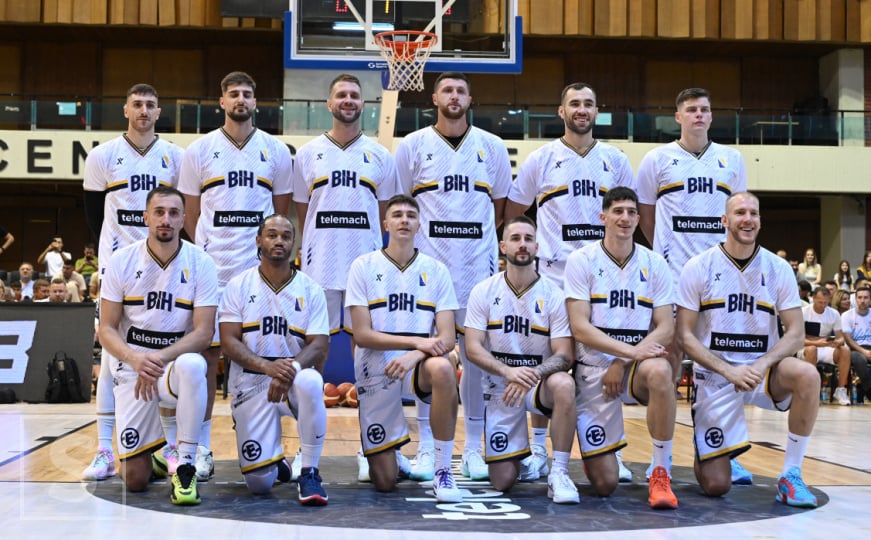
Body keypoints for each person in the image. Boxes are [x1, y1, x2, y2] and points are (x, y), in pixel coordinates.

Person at [503, 82, 636, 481]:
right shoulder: (541, 158)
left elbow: (628, 214)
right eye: (574, 104)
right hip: (554, 275)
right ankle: (538, 450)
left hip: (603, 275)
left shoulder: (615, 159)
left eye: (588, 104)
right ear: (561, 111)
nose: (581, 109)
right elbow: (514, 213)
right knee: (549, 359)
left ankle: (610, 446)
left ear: (597, 111)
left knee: (602, 360)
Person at [394, 72, 512, 482]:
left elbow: (500, 209)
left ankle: (475, 448)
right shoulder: (412, 145)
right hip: (428, 273)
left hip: (478, 269)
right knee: (432, 360)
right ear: (435, 98)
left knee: (477, 361)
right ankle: (427, 446)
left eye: (461, 90)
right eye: (447, 90)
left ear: (470, 99)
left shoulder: (492, 147)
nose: (455, 96)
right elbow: (401, 206)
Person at [179, 71, 293, 481]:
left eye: (247, 93)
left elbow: (280, 214)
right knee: (208, 358)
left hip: (259, 273)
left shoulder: (276, 150)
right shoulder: (199, 150)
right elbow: (190, 214)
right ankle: (202, 448)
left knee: (263, 358)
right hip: (214, 270)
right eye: (233, 94)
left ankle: (269, 447)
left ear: (255, 102)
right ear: (222, 102)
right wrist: (207, 251)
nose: (240, 99)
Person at [636, 87, 751, 485]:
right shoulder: (657, 159)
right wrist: (668, 254)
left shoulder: (731, 159)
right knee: (666, 368)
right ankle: (661, 457)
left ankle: (724, 449)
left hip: (719, 280)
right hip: (671, 279)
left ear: (711, 116)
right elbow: (646, 217)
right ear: (678, 116)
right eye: (691, 110)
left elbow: (737, 214)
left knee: (721, 368)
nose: (699, 115)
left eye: (704, 109)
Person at [676, 191, 820, 508]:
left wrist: (762, 364)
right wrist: (728, 370)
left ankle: (791, 474)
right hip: (716, 376)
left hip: (761, 372)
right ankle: (717, 449)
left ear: (760, 221)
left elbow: (796, 335)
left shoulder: (778, 268)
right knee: (716, 485)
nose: (748, 219)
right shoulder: (699, 266)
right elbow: (684, 336)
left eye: (753, 213)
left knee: (808, 375)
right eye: (740, 213)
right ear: (724, 221)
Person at [290, 74, 400, 480]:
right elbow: (303, 212)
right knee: (312, 359)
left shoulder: (381, 156)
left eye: (354, 95)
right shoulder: (308, 154)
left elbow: (384, 213)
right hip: (319, 267)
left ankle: (371, 446)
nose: (348, 100)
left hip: (365, 270)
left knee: (369, 357)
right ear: (329, 102)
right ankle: (307, 453)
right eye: (341, 94)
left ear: (363, 104)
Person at [81, 83, 185, 482]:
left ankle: (169, 445)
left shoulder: (176, 156)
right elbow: (94, 215)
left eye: (150, 105)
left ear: (159, 112)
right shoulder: (103, 156)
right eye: (137, 104)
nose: (143, 110)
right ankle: (105, 450)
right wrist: (116, 260)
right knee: (112, 360)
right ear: (125, 110)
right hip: (118, 270)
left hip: (164, 270)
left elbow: (179, 214)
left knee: (164, 354)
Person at [98, 186, 218, 506]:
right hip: (133, 370)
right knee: (134, 480)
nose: (166, 219)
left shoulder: (202, 262)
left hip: (172, 367)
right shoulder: (121, 261)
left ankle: (186, 465)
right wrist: (136, 359)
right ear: (145, 217)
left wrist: (158, 358)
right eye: (159, 212)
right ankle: (155, 455)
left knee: (194, 364)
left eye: (174, 213)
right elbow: (106, 329)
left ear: (183, 219)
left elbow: (204, 333)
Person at [565, 187, 679, 509]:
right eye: (617, 211)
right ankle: (601, 453)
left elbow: (666, 328)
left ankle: (661, 471)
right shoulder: (581, 260)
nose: (625, 218)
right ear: (603, 217)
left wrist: (623, 361)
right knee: (605, 485)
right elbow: (580, 327)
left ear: (639, 219)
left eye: (631, 212)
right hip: (592, 370)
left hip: (634, 368)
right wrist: (627, 353)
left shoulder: (655, 263)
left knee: (661, 370)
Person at [345, 194, 462, 503]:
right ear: (385, 224)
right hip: (375, 365)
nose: (404, 220)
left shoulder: (436, 270)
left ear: (419, 224)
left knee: (444, 367)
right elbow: (362, 335)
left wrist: (415, 354)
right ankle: (386, 451)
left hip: (418, 365)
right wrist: (415, 342)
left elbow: (448, 336)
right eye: (397, 215)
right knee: (384, 482)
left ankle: (442, 469)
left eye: (411, 215)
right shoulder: (363, 266)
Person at [464, 216, 578, 504]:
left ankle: (559, 472)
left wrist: (532, 373)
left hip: (537, 385)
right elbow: (472, 348)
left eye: (528, 239)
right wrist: (508, 371)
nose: (522, 244)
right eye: (515, 238)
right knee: (502, 481)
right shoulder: (483, 291)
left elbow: (565, 354)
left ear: (537, 247)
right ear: (503, 246)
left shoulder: (554, 294)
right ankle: (523, 457)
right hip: (501, 388)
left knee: (564, 384)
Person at [219, 214, 330, 505]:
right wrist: (268, 368)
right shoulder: (239, 285)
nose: (279, 240)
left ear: (293, 243)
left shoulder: (310, 289)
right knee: (259, 485)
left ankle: (310, 471)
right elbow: (228, 342)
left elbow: (319, 343)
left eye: (285, 236)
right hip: (251, 384)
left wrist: (289, 369)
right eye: (272, 235)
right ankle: (274, 458)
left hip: (293, 381)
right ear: (259, 240)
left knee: (310, 380)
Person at [798, 287, 851, 405]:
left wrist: (838, 342)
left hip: (825, 346)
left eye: (825, 302)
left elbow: (840, 337)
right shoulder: (803, 312)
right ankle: (811, 390)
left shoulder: (834, 313)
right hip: (806, 348)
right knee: (812, 349)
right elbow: (797, 339)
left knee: (845, 350)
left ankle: (840, 390)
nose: (823, 305)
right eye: (820, 302)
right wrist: (816, 342)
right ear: (813, 298)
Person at [840, 286, 871, 403]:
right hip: (854, 349)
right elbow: (848, 340)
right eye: (860, 297)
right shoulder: (847, 315)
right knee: (860, 359)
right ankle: (869, 389)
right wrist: (864, 352)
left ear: (870, 299)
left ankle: (864, 389)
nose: (862, 300)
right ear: (856, 299)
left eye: (866, 298)